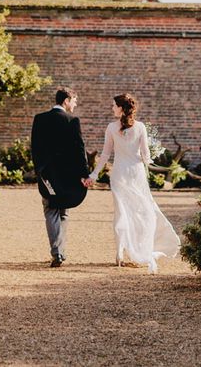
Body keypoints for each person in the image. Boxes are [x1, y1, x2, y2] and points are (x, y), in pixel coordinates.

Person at [88, 93, 180, 273]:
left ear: (121, 108)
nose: (112, 109)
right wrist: (150, 158)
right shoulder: (140, 128)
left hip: (120, 174)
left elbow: (106, 154)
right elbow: (145, 156)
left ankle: (119, 253)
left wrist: (94, 173)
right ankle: (138, 248)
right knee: (142, 212)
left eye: (114, 106)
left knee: (121, 212)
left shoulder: (111, 128)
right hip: (136, 174)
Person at [31, 87, 93, 268]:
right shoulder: (72, 121)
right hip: (68, 175)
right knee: (63, 212)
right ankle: (59, 251)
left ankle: (58, 252)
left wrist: (39, 170)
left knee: (50, 209)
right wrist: (84, 174)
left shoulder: (40, 119)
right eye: (74, 100)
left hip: (47, 175)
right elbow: (79, 150)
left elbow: (35, 148)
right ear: (66, 100)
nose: (75, 103)